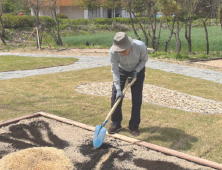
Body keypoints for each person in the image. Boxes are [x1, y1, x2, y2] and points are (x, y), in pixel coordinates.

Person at [108, 32, 148, 137]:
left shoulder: (140, 46)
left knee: (137, 98)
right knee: (115, 97)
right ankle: (116, 124)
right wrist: (118, 89)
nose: (121, 53)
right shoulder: (113, 52)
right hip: (122, 70)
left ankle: (134, 126)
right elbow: (115, 71)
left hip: (137, 70)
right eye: (119, 51)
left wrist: (137, 70)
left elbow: (144, 59)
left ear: (129, 45)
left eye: (124, 51)